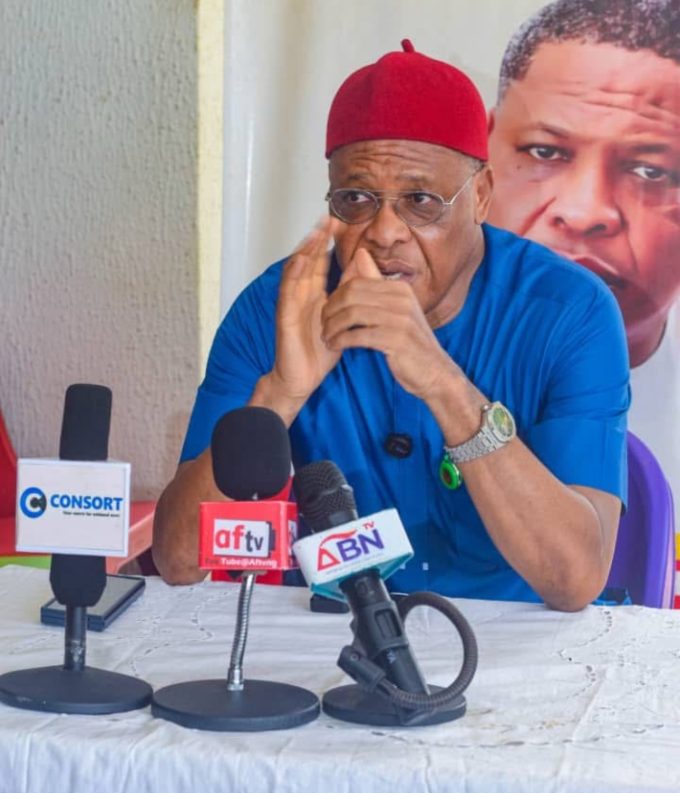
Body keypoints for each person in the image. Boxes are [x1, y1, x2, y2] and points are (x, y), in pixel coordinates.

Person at [153, 40, 629, 611]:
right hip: (334, 630)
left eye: (420, 200)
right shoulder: (279, 307)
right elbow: (177, 559)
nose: (383, 232)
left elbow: (575, 580)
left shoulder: (568, 311)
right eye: (356, 198)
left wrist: (442, 383)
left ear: (480, 197)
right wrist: (280, 392)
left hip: (515, 632)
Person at [487, 0, 680, 524]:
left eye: (650, 171)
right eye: (544, 152)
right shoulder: (380, 370)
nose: (584, 211)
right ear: (480, 158)